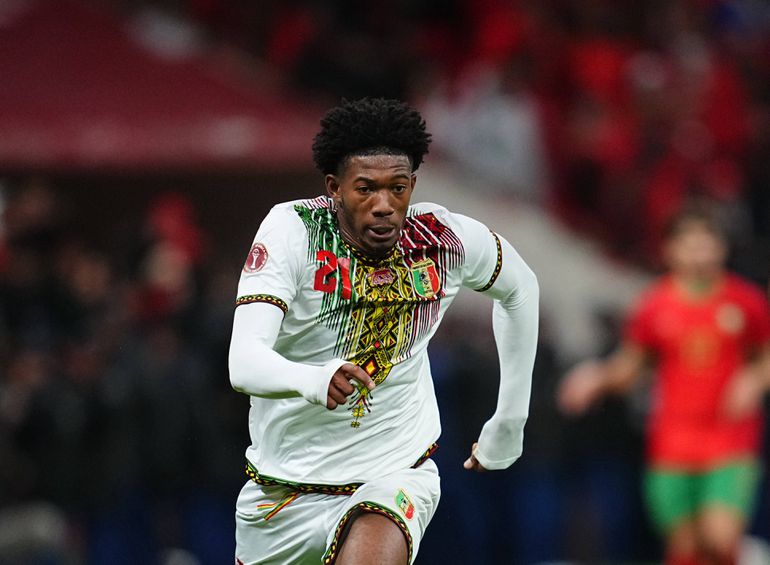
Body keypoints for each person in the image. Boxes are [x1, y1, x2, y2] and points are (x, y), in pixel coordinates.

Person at [228, 97, 539, 565]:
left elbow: (520, 288)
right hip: (283, 492)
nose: (384, 206)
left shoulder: (442, 240)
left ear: (412, 184)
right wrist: (312, 378)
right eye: (365, 189)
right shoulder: (294, 232)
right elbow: (244, 362)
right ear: (334, 188)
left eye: (397, 188)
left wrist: (510, 419)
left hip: (394, 474)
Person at [558, 206, 770, 565]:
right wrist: (599, 378)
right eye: (689, 244)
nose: (699, 252)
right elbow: (631, 366)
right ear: (670, 250)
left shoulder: (746, 302)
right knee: (683, 547)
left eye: (706, 243)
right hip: (672, 442)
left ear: (721, 248)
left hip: (730, 438)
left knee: (718, 536)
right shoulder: (653, 306)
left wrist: (754, 378)